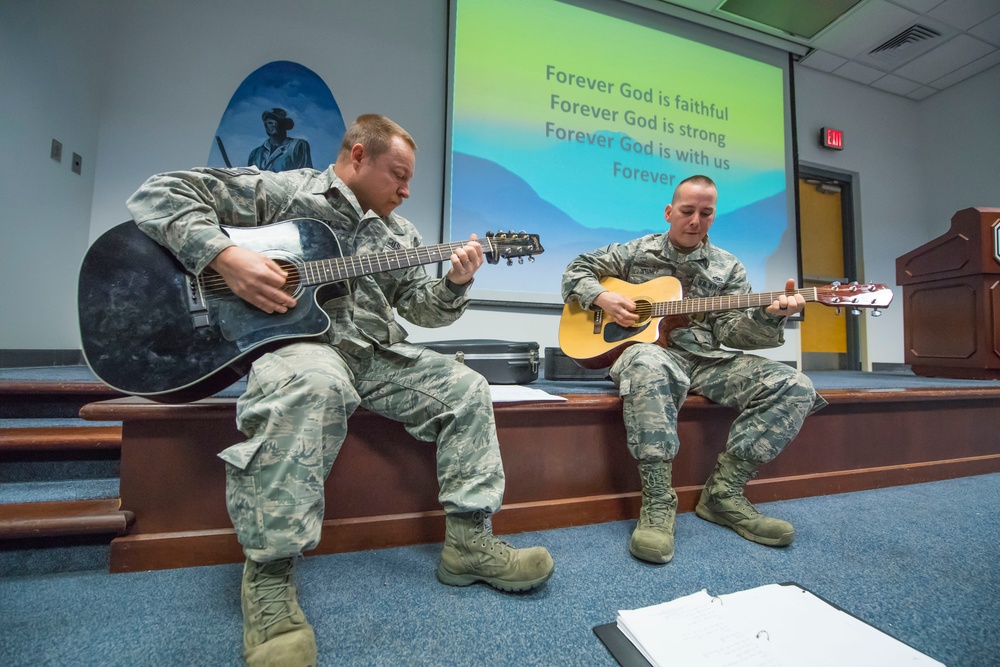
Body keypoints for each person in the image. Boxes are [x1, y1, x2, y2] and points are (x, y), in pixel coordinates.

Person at [127, 114, 554, 667]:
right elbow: (157, 193)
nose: (406, 190)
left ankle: (469, 544)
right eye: (397, 175)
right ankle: (270, 581)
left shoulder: (399, 235)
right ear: (357, 156)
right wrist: (224, 258)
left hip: (373, 356)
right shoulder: (285, 191)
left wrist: (456, 281)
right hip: (300, 351)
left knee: (467, 385)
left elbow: (420, 310)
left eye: (410, 180)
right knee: (313, 382)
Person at [561, 174, 826, 565]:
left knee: (794, 384)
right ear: (670, 212)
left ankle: (724, 494)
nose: (695, 221)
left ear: (713, 217)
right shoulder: (636, 252)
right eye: (687, 211)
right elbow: (577, 269)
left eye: (705, 213)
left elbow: (735, 333)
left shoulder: (728, 268)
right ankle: (657, 501)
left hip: (705, 360)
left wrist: (769, 317)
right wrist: (602, 295)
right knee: (648, 361)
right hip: (651, 355)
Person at [247, 107, 313, 171]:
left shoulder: (297, 146)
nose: (274, 125)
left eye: (278, 122)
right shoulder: (255, 154)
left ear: (285, 125)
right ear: (265, 125)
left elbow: (305, 175)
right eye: (270, 122)